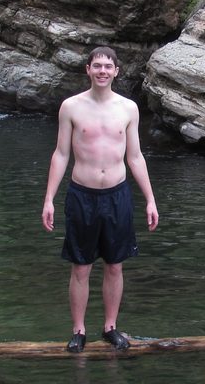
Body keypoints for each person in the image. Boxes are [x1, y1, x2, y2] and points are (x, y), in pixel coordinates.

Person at [42, 46, 159, 353]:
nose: (103, 71)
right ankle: (78, 330)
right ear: (88, 70)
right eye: (97, 66)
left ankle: (110, 327)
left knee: (115, 265)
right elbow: (61, 154)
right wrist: (49, 199)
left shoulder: (128, 109)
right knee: (80, 267)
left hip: (117, 194)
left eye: (108, 66)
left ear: (116, 71)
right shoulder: (71, 107)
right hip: (82, 194)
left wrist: (150, 199)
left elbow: (135, 157)